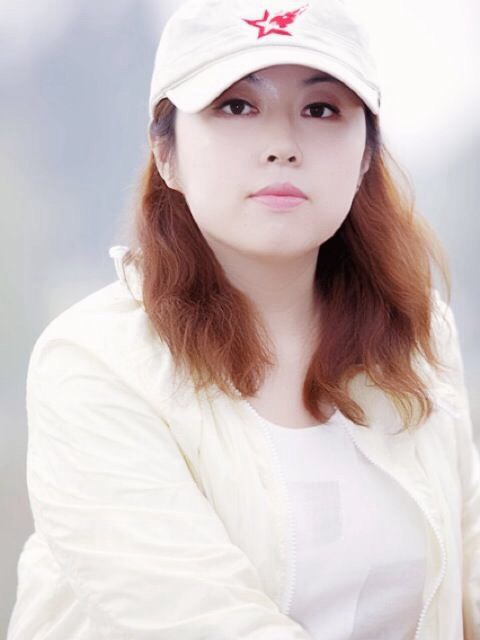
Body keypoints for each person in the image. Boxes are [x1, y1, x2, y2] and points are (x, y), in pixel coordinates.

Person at [7, 0, 480, 638]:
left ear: (366, 156)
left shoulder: (418, 339)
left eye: (321, 109)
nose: (282, 146)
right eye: (236, 106)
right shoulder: (93, 362)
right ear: (166, 152)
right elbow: (200, 621)